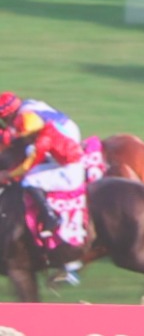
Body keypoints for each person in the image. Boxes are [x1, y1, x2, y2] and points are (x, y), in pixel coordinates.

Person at [0, 91, 87, 280]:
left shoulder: (37, 134)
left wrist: (7, 174)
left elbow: (26, 165)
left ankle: (49, 216)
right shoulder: (29, 113)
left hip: (69, 165)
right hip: (65, 137)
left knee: (29, 178)